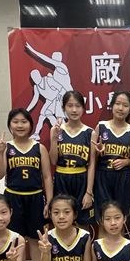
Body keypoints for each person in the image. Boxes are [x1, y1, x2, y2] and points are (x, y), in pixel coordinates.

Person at [0, 108, 53, 261]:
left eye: (24, 121)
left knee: (35, 238)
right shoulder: (6, 147)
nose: (20, 125)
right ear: (10, 125)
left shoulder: (39, 148)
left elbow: (47, 177)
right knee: (16, 239)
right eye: (15, 122)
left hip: (35, 197)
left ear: (31, 125)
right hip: (13, 198)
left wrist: (49, 202)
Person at [49, 91, 97, 226]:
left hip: (81, 179)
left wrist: (89, 192)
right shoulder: (56, 130)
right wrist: (54, 138)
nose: (74, 110)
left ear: (83, 108)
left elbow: (92, 164)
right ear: (63, 108)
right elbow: (53, 161)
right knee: (62, 220)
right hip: (61, 179)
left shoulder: (90, 133)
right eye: (70, 106)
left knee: (83, 222)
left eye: (78, 106)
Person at [93, 91, 130, 231]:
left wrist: (127, 162)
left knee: (121, 218)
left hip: (124, 179)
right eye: (117, 104)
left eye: (125, 105)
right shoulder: (101, 127)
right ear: (111, 105)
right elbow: (92, 159)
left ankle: (121, 245)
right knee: (104, 218)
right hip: (103, 177)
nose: (120, 108)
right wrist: (98, 151)